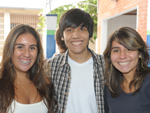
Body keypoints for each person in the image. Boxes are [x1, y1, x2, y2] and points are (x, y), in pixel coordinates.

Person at [47, 8, 105, 113]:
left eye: (82, 29)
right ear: (62, 36)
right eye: (69, 30)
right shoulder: (51, 66)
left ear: (90, 33)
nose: (76, 35)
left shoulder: (106, 65)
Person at [0, 24, 57, 113]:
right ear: (9, 49)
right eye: (20, 47)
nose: (27, 54)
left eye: (32, 48)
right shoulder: (2, 85)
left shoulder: (45, 83)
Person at [103, 26, 150, 113]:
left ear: (139, 53)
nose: (122, 56)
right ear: (110, 56)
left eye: (129, 49)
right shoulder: (109, 89)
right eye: (116, 50)